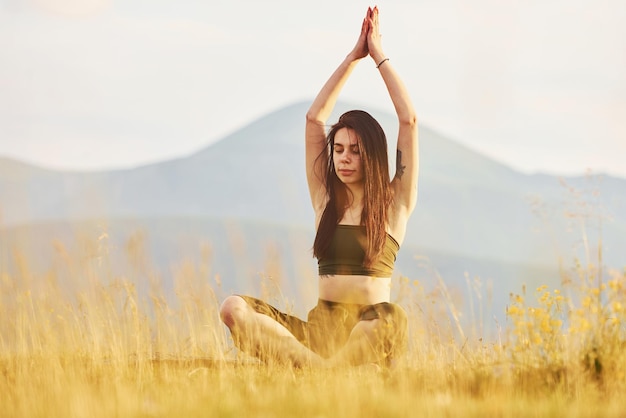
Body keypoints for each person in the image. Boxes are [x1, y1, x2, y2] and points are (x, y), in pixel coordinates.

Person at [219, 6, 418, 368]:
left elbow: (409, 120)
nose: (343, 158)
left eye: (355, 151)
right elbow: (314, 120)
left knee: (390, 319)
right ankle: (323, 371)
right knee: (232, 308)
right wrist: (351, 57)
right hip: (318, 335)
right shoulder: (325, 199)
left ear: (371, 156)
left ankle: (320, 372)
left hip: (368, 329)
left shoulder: (395, 205)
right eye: (338, 149)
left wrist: (377, 55)